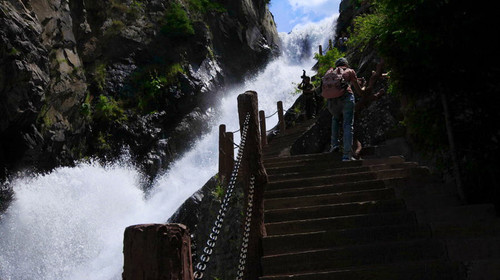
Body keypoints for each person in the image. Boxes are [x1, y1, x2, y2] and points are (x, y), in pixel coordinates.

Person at [323, 57, 365, 161]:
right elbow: (359, 91)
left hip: (331, 101)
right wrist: (363, 87)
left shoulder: (330, 72)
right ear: (346, 64)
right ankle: (347, 155)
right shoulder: (349, 71)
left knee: (335, 119)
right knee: (347, 124)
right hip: (346, 99)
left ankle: (334, 145)